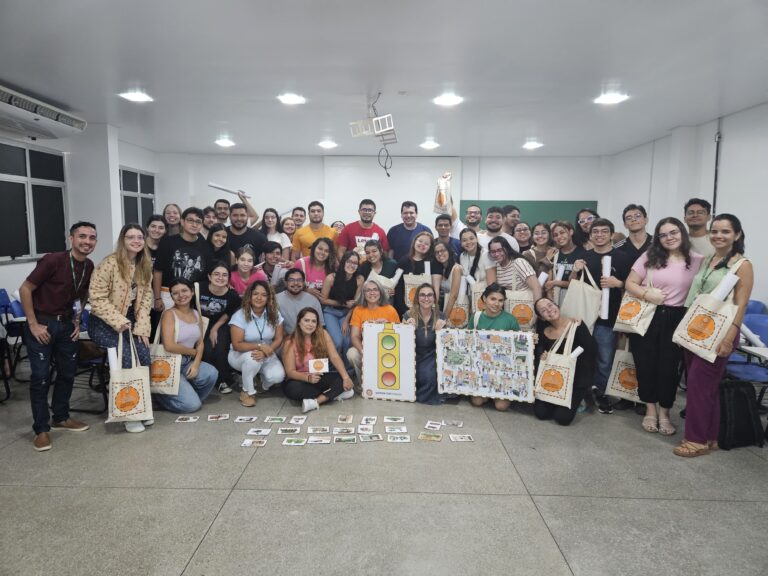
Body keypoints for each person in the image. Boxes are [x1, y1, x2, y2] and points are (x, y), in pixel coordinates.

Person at [674, 214, 753, 457]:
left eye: (725, 231)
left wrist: (729, 337)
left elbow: (741, 305)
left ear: (737, 235)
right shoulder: (709, 259)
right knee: (706, 387)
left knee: (698, 386)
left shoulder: (743, 265)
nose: (719, 236)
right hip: (696, 328)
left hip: (720, 332)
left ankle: (695, 440)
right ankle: (710, 436)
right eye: (715, 231)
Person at [19, 221, 97, 452]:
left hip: (66, 326)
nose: (87, 241)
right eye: (82, 236)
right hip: (42, 324)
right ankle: (41, 429)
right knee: (41, 377)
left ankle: (61, 417)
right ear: (71, 238)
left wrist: (77, 320)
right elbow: (25, 289)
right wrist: (33, 324)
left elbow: (82, 295)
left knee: (68, 373)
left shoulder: (89, 265)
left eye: (92, 237)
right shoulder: (53, 260)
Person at [624, 217, 704, 435]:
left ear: (682, 233)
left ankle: (665, 413)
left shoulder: (697, 260)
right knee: (645, 364)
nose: (669, 238)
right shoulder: (650, 257)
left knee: (669, 368)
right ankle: (650, 410)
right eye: (663, 234)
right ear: (658, 238)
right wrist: (646, 294)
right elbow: (630, 283)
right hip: (648, 315)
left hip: (678, 318)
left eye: (673, 232)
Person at [88, 223, 154, 433]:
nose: (136, 241)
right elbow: (96, 298)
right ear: (122, 240)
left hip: (130, 321)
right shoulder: (109, 263)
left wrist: (142, 327)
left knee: (144, 355)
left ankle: (141, 407)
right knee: (125, 356)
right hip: (103, 322)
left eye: (139, 237)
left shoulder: (144, 265)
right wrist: (118, 321)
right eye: (130, 237)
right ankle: (128, 413)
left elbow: (146, 299)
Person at [572, 218, 632, 414]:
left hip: (609, 317)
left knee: (604, 358)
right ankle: (582, 391)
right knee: (581, 354)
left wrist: (619, 283)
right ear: (590, 235)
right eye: (595, 232)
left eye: (604, 231)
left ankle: (601, 392)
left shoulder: (622, 258)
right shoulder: (584, 256)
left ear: (612, 234)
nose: (599, 235)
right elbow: (573, 284)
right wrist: (574, 270)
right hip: (584, 315)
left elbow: (632, 286)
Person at [155, 279, 218, 413]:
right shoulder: (169, 314)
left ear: (192, 292)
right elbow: (169, 346)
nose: (181, 295)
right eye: (175, 293)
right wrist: (193, 352)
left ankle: (186, 396)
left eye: (184, 290)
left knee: (211, 373)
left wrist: (196, 364)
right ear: (171, 296)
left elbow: (200, 343)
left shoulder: (196, 314)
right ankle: (160, 397)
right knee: (192, 406)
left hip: (187, 362)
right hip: (169, 363)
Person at [533, 297, 597, 426]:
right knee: (541, 413)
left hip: (575, 379)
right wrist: (542, 355)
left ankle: (581, 396)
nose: (549, 310)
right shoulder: (544, 331)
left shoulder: (576, 324)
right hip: (553, 378)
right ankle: (557, 401)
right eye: (543, 310)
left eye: (550, 305)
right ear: (542, 317)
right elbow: (539, 354)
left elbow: (591, 350)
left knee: (562, 418)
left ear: (557, 305)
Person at [282, 307, 355, 413]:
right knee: (294, 390)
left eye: (313, 321)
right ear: (299, 322)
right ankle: (333, 394)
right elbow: (290, 372)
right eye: (306, 320)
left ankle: (316, 402)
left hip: (319, 376)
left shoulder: (323, 334)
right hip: (299, 379)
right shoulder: (290, 341)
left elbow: (334, 356)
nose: (310, 324)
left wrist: (346, 377)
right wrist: (307, 378)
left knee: (342, 378)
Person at [228, 281, 286, 407]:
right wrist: (259, 347)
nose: (259, 298)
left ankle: (260, 384)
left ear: (269, 298)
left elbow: (278, 338)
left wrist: (266, 352)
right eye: (255, 294)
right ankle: (247, 391)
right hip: (240, 354)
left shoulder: (274, 314)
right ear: (249, 296)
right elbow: (237, 345)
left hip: (266, 352)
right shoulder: (240, 315)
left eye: (264, 295)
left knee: (278, 377)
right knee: (252, 359)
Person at [468, 283, 520, 411]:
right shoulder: (476, 317)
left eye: (500, 300)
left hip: (502, 368)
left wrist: (530, 339)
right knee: (477, 402)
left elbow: (519, 344)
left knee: (501, 406)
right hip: (481, 367)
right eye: (493, 299)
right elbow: (468, 340)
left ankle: (495, 394)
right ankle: (487, 393)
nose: (496, 304)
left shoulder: (510, 320)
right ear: (484, 299)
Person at [153, 207, 214, 310]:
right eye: (190, 220)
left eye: (198, 222)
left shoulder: (206, 246)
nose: (194, 224)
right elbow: (158, 271)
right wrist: (157, 298)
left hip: (194, 296)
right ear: (182, 221)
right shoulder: (167, 242)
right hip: (168, 295)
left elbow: (207, 275)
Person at [346, 279, 400, 388]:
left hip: (387, 350)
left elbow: (399, 336)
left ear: (380, 292)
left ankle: (388, 386)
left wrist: (387, 325)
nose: (372, 293)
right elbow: (354, 336)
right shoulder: (358, 310)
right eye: (368, 290)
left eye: (375, 289)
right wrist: (364, 352)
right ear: (364, 293)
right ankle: (364, 385)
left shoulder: (390, 310)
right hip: (366, 349)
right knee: (352, 354)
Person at [199, 261, 241, 395]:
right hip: (199, 323)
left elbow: (228, 313)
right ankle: (204, 378)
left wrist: (214, 328)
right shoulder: (199, 288)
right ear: (209, 276)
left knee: (219, 347)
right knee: (205, 349)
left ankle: (222, 380)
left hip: (220, 324)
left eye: (224, 275)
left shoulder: (232, 295)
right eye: (216, 274)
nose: (220, 278)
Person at [403, 283, 447, 404]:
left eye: (429, 295)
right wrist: (406, 329)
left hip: (432, 355)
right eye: (422, 295)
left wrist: (442, 332)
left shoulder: (441, 316)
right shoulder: (408, 315)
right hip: (413, 355)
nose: (426, 298)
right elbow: (402, 345)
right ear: (417, 298)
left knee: (429, 375)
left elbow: (446, 346)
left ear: (434, 298)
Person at [320, 250, 362, 358]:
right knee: (338, 341)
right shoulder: (331, 278)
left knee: (347, 341)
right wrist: (343, 304)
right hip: (330, 312)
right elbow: (323, 300)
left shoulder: (359, 279)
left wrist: (347, 321)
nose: (351, 265)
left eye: (355, 263)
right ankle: (334, 365)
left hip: (347, 313)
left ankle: (347, 367)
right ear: (343, 262)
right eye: (349, 261)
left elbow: (355, 303)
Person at [488, 236, 542, 306]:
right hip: (510, 305)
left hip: (525, 305)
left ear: (506, 249)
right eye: (493, 252)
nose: (496, 254)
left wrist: (537, 307)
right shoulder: (496, 265)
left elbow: (536, 287)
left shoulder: (519, 262)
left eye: (500, 250)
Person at [544, 221, 587, 306]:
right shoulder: (554, 253)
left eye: (562, 232)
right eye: (555, 235)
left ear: (571, 232)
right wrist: (549, 292)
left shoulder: (583, 253)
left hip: (575, 298)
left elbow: (578, 283)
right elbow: (549, 280)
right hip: (556, 298)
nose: (559, 237)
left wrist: (555, 283)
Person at [394, 230, 435, 317]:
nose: (422, 244)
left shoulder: (432, 263)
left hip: (426, 310)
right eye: (420, 241)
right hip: (405, 309)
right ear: (414, 241)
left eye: (426, 244)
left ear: (430, 247)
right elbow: (398, 288)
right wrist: (405, 310)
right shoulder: (403, 261)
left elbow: (435, 288)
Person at [275, 268, 325, 335]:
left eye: (299, 280)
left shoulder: (313, 300)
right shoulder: (276, 299)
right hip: (284, 338)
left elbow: (320, 326)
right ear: (285, 282)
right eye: (291, 280)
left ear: (304, 283)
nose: (296, 283)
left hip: (309, 337)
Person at [432, 240, 463, 317]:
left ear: (449, 251)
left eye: (442, 250)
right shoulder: (441, 269)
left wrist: (444, 317)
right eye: (436, 252)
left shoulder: (456, 269)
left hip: (456, 309)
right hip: (446, 306)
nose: (440, 254)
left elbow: (454, 295)